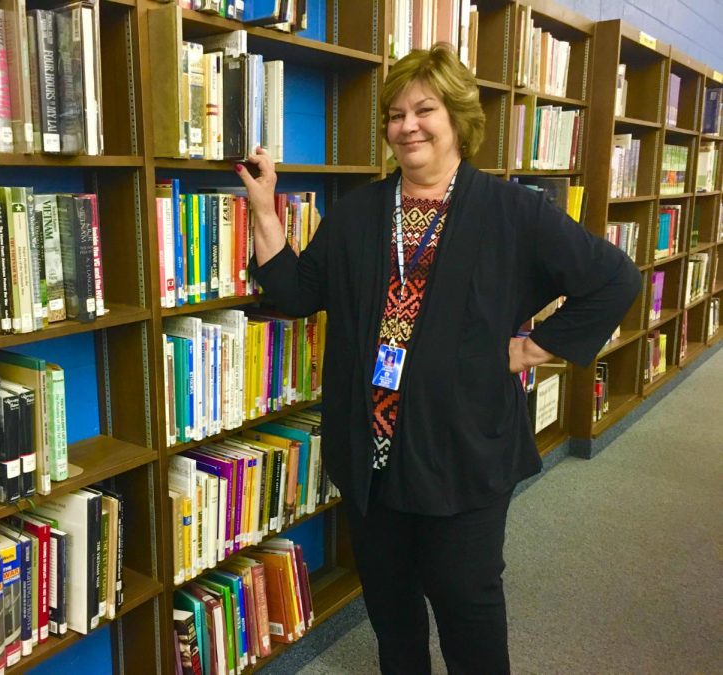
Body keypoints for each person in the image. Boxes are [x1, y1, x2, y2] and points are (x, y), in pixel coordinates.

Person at [236, 43, 641, 674]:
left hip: (463, 452)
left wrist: (533, 348)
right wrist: (265, 209)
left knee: (466, 605)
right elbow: (294, 294)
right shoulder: (361, 212)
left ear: (457, 117)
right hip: (371, 453)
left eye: (424, 110)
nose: (407, 126)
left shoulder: (514, 211)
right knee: (392, 609)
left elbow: (614, 279)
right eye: (395, 115)